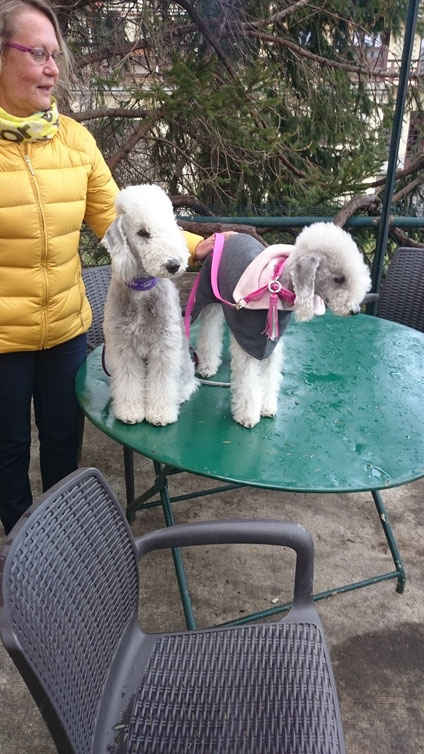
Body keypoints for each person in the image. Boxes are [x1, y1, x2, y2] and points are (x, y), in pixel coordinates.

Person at [0, 0, 217, 535]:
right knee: (5, 452)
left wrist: (195, 247)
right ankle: (18, 550)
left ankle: (57, 543)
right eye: (38, 54)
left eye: (56, 55)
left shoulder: (75, 141)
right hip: (2, 337)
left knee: (61, 445)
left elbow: (119, 219)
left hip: (66, 328)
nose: (53, 68)